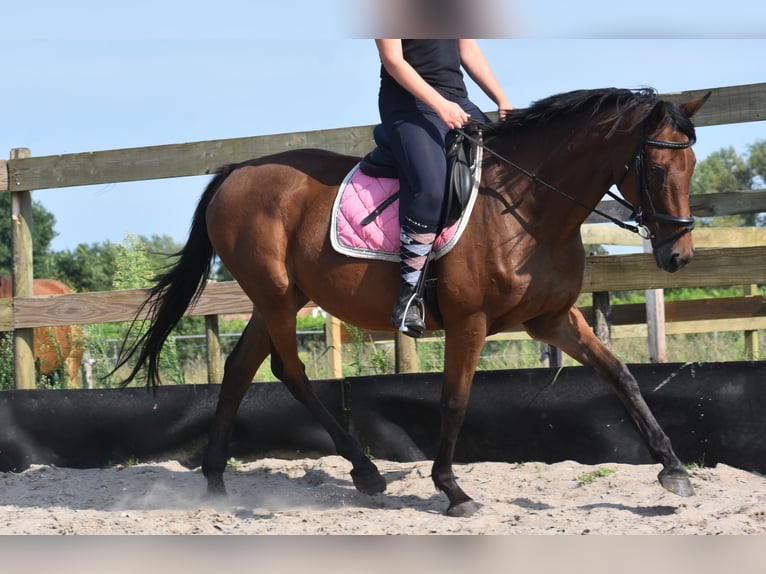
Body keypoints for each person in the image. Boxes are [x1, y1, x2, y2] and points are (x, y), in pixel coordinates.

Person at [375, 39, 512, 338]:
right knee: (432, 189)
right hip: (409, 104)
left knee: (507, 167)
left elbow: (468, 50)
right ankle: (409, 294)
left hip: (457, 100)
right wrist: (439, 105)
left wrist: (501, 99)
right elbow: (393, 61)